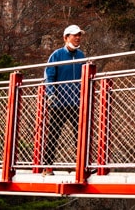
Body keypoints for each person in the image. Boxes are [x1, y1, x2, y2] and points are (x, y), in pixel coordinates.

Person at [43, 24, 85, 170]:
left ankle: (81, 166)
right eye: (75, 35)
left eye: (79, 35)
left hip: (77, 102)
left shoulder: (81, 56)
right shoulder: (57, 55)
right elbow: (49, 75)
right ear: (66, 37)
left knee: (80, 135)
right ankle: (47, 166)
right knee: (54, 134)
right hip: (59, 102)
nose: (78, 38)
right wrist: (51, 94)